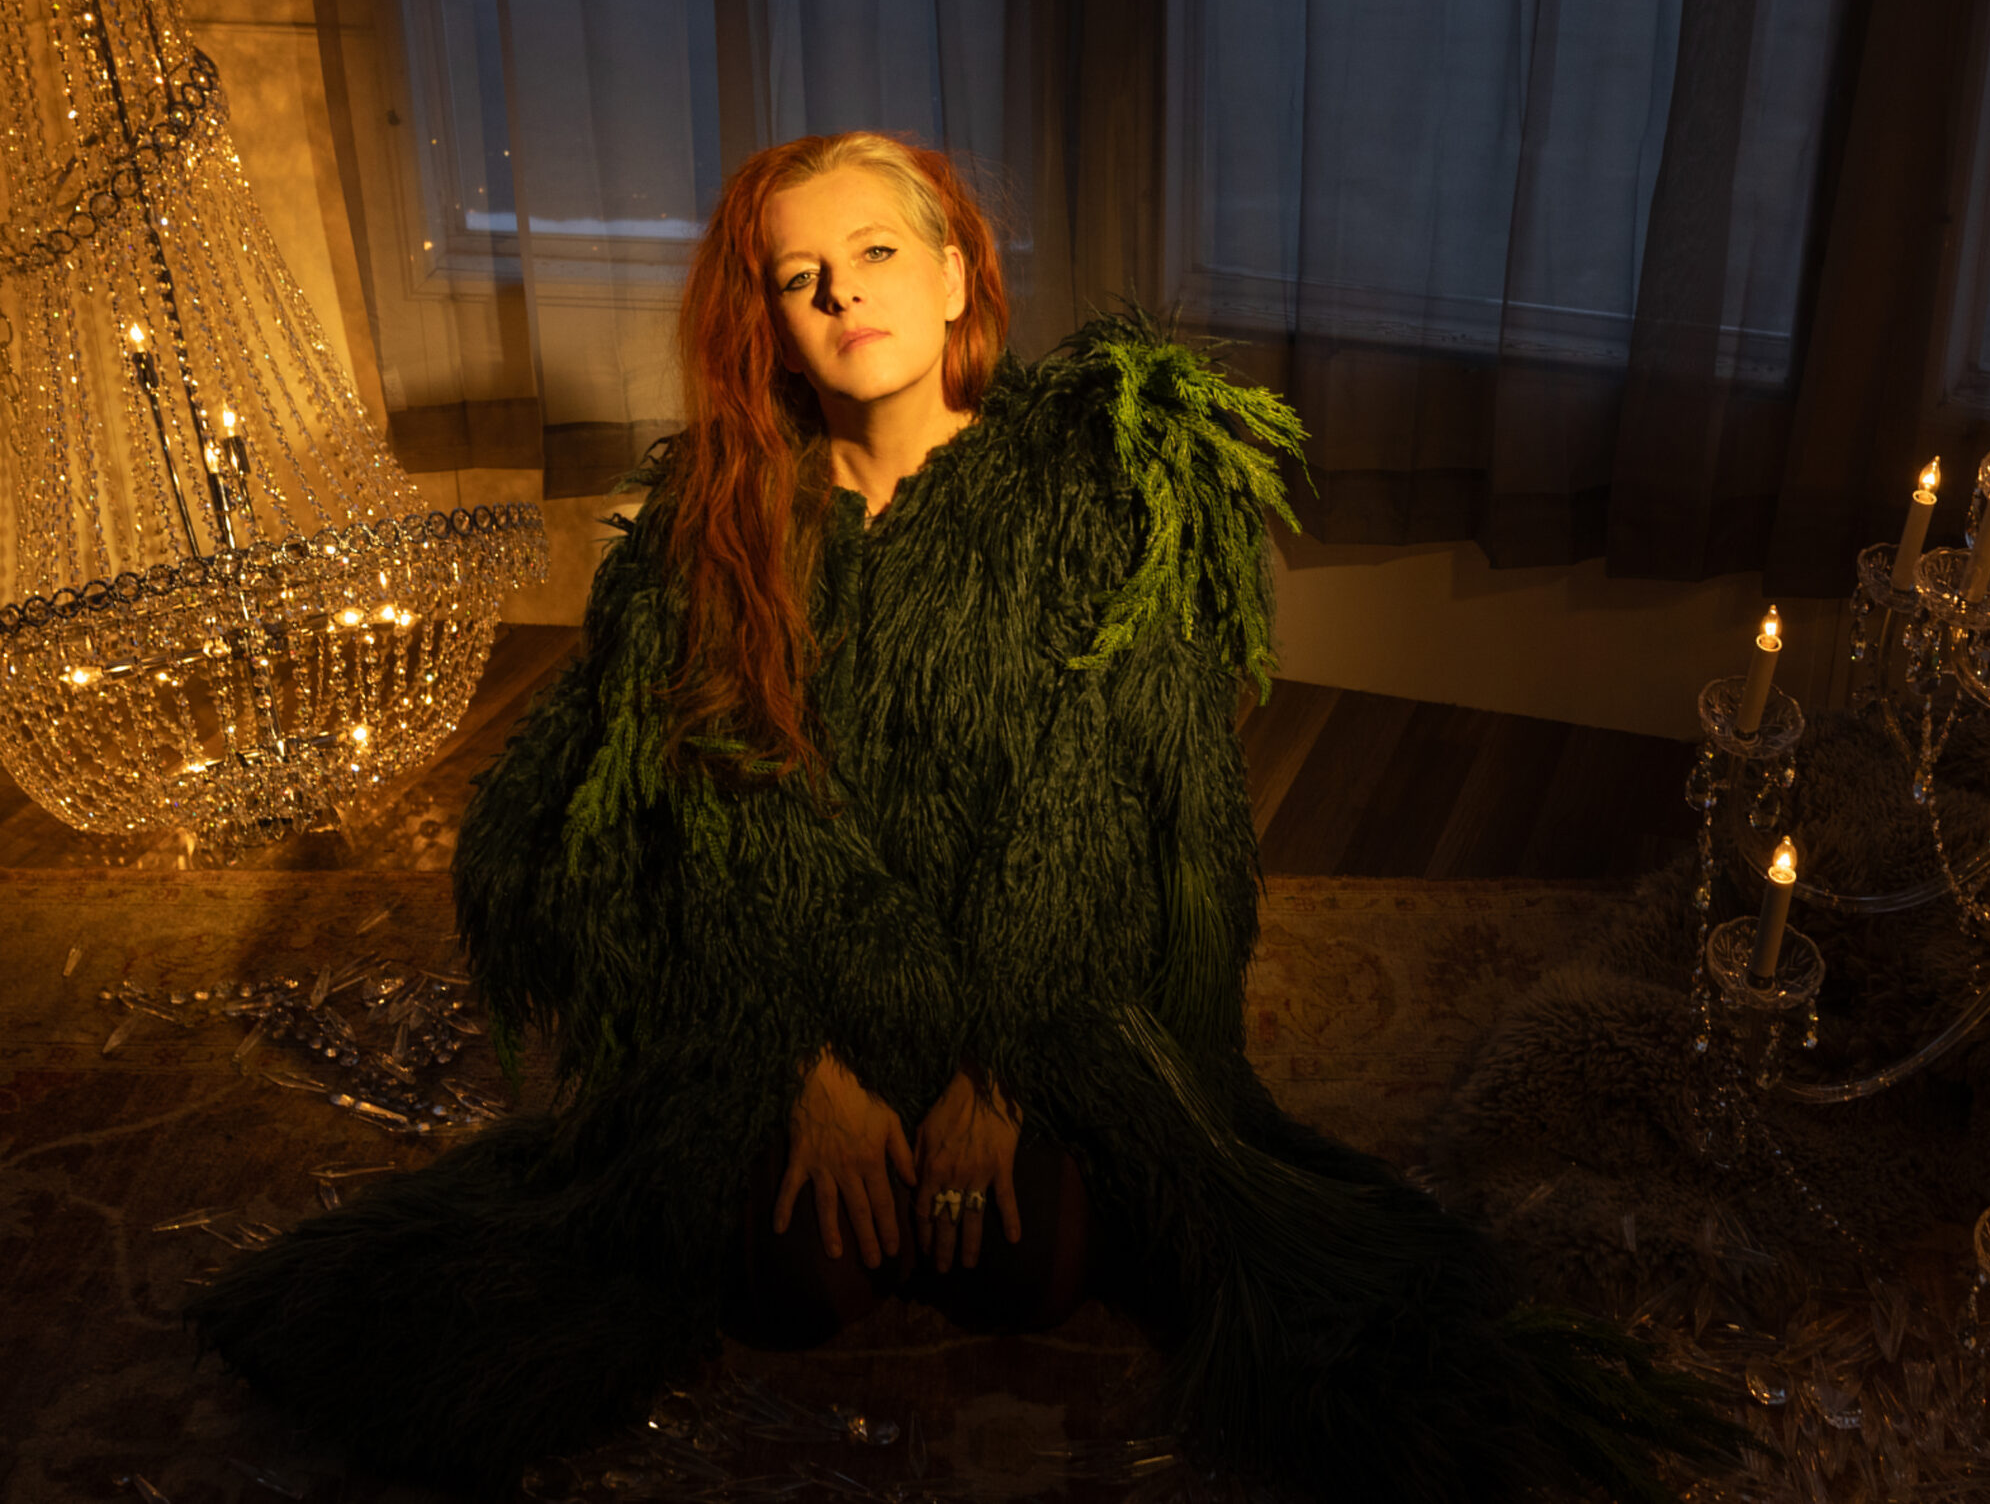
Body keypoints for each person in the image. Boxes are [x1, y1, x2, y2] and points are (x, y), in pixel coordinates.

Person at [186, 131, 1738, 1502]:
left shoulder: (1087, 494)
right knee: (787, 1279)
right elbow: (692, 837)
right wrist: (801, 1073)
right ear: (768, 321)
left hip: (1028, 995)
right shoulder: (716, 526)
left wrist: (1002, 1070)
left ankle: (1029, 1138)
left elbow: (1109, 816)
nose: (842, 293)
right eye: (799, 276)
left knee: (1028, 1267)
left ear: (953, 277)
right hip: (800, 998)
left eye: (875, 253)